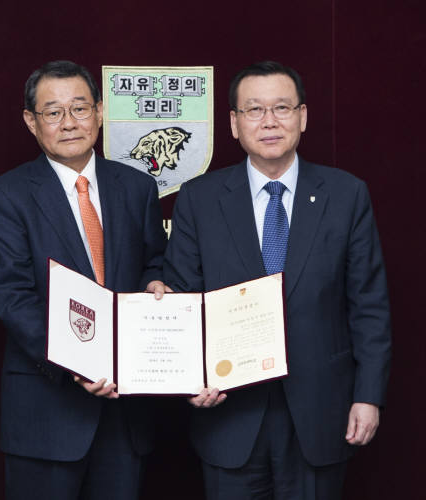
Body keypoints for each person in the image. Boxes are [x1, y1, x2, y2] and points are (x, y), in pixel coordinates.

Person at [163, 61, 392, 499]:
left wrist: (369, 395)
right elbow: (182, 298)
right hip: (228, 412)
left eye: (282, 107)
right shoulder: (200, 198)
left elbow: (369, 303)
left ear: (302, 117)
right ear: (233, 123)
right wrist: (188, 378)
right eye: (254, 110)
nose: (269, 121)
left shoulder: (346, 195)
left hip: (321, 412)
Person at [0, 60, 169, 500]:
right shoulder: (6, 196)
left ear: (100, 112)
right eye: (53, 112)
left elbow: (153, 262)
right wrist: (77, 362)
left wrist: (157, 285)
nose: (69, 123)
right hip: (47, 409)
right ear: (31, 121)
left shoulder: (137, 187)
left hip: (126, 412)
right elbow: (11, 295)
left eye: (80, 108)